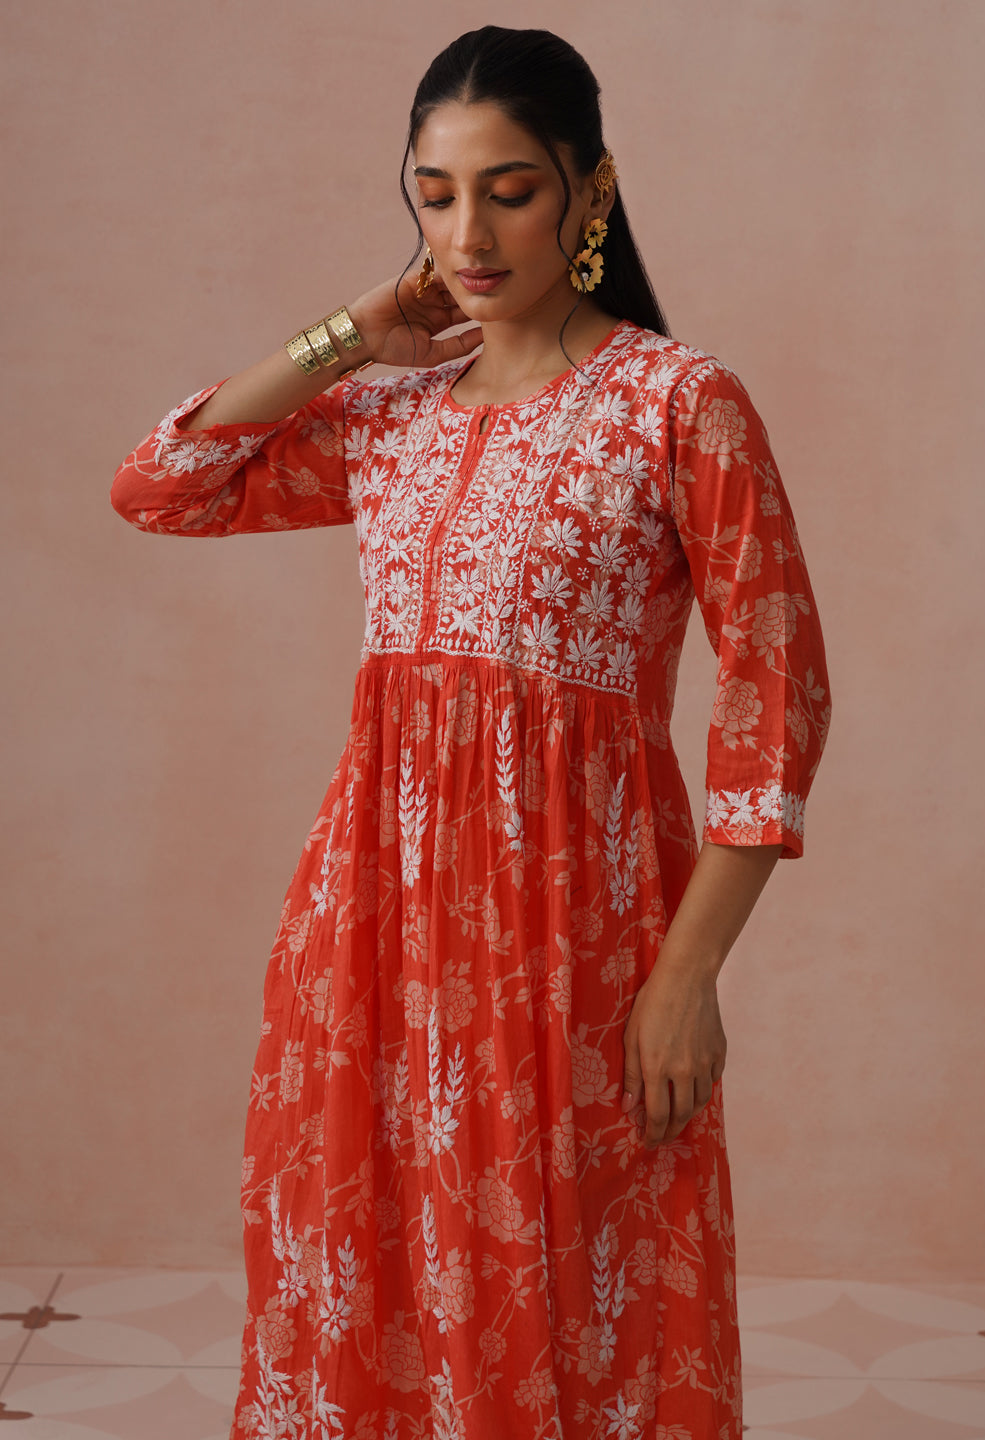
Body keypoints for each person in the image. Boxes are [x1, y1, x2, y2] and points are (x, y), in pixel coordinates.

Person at [111, 24, 830, 1440]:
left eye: (509, 191)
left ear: (588, 190)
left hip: (580, 934)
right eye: (433, 196)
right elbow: (159, 485)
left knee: (568, 1291)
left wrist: (690, 971)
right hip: (371, 926)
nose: (468, 234)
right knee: (370, 1260)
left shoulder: (676, 403)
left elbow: (777, 690)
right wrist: (349, 334)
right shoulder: (390, 416)